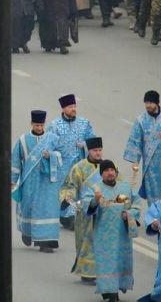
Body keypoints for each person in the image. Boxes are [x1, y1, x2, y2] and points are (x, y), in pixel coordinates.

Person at [77, 159, 142, 301]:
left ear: (116, 172)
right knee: (106, 264)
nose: (110, 173)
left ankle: (115, 289)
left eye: (112, 170)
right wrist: (95, 200)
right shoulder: (95, 189)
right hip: (104, 234)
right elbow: (86, 206)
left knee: (120, 261)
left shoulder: (125, 187)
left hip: (122, 235)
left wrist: (129, 214)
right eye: (106, 171)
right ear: (102, 174)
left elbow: (136, 205)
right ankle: (109, 292)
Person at [11, 109, 61, 252]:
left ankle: (46, 242)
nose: (39, 128)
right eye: (36, 125)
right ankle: (27, 233)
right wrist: (13, 180)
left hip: (47, 182)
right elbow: (15, 161)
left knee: (47, 210)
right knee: (28, 208)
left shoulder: (52, 139)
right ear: (31, 124)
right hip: (30, 181)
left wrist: (50, 156)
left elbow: (60, 157)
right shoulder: (23, 140)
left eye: (41, 125)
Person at [59, 136, 104, 283]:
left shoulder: (108, 167)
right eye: (95, 150)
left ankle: (101, 272)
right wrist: (68, 198)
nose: (98, 153)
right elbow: (70, 186)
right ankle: (86, 272)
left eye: (100, 150)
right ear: (89, 151)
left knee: (101, 243)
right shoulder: (79, 167)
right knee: (85, 241)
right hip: (84, 212)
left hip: (104, 211)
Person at [49, 94, 96, 229]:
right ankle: (64, 216)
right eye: (70, 107)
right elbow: (49, 145)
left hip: (80, 164)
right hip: (62, 167)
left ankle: (73, 215)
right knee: (64, 192)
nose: (73, 109)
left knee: (79, 190)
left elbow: (93, 141)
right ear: (63, 108)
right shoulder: (55, 125)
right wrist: (52, 156)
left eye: (74, 106)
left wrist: (85, 145)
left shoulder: (84, 123)